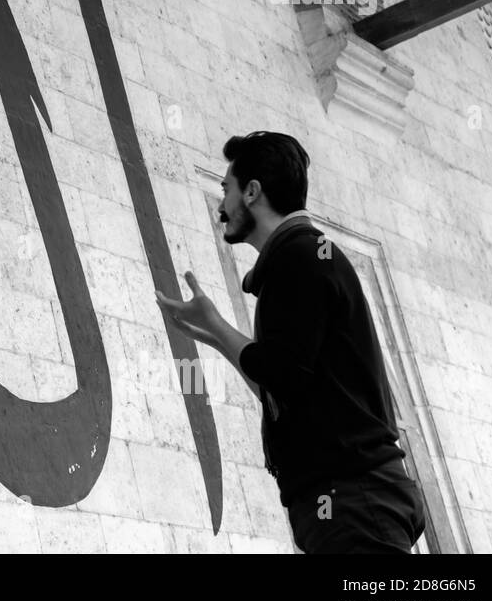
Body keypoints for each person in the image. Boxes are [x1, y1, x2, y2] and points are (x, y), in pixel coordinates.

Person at [155, 131, 426, 553]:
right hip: (340, 505)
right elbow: (285, 387)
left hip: (353, 501)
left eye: (226, 189)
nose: (222, 207)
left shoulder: (302, 256)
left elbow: (281, 371)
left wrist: (218, 325)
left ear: (252, 192)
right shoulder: (303, 258)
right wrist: (216, 335)